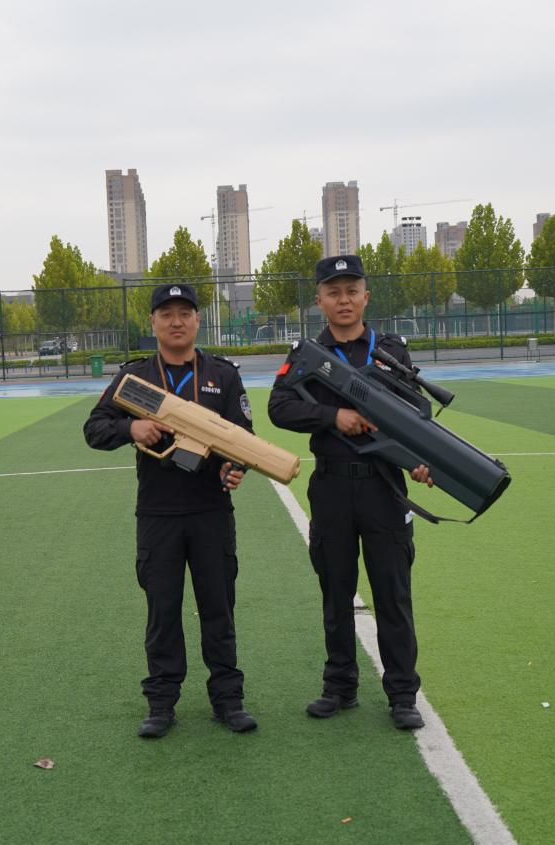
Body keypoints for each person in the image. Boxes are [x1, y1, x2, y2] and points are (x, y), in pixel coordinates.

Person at [267, 254, 435, 730]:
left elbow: (416, 414)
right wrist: (332, 417)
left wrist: (420, 462)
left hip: (385, 487)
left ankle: (402, 695)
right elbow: (279, 407)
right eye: (333, 292)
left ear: (366, 296)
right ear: (319, 300)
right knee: (336, 592)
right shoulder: (306, 354)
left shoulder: (391, 351)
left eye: (352, 290)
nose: (344, 300)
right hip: (332, 487)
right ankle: (340, 687)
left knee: (393, 594)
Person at [84, 282, 258, 738]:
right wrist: (131, 428)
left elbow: (244, 439)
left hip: (210, 512)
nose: (176, 322)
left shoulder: (222, 374)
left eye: (185, 313)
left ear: (198, 320)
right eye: (167, 314)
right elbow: (95, 429)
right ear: (153, 322)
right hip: (158, 515)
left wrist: (235, 468)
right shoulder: (135, 380)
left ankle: (228, 699)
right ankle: (161, 703)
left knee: (218, 608)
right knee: (162, 611)